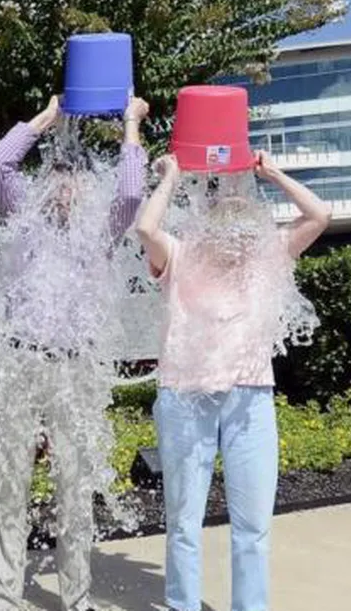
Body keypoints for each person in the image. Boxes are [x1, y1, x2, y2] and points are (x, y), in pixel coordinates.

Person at [134, 151, 330, 611]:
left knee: (254, 526)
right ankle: (182, 605)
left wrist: (272, 172)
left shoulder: (268, 258)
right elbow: (145, 229)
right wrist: (173, 177)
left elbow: (320, 215)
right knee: (184, 521)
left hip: (250, 401)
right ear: (210, 225)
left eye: (243, 224)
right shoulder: (179, 255)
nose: (235, 234)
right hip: (185, 398)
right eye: (226, 222)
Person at [0, 96, 149, 611]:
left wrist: (129, 123)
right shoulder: (24, 221)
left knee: (74, 488)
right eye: (55, 177)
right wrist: (44, 120)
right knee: (9, 483)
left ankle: (77, 597)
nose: (62, 187)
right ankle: (4, 597)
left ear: (85, 188)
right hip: (20, 361)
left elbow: (130, 190)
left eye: (73, 178)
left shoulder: (100, 234)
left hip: (75, 367)